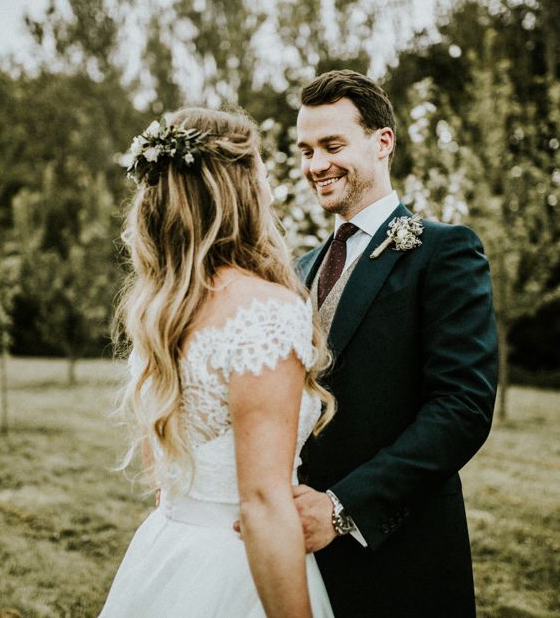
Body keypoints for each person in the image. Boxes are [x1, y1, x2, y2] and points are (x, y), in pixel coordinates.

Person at [99, 108, 335, 617]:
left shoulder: (162, 309)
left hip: (168, 548)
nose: (270, 193)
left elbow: (158, 463)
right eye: (264, 176)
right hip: (239, 568)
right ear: (241, 191)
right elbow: (263, 503)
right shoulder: (264, 311)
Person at [292, 69, 498, 617]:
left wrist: (339, 509)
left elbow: (462, 409)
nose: (316, 165)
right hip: (297, 557)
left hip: (399, 553)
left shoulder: (445, 252)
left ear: (382, 142)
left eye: (332, 145)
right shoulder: (300, 268)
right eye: (306, 150)